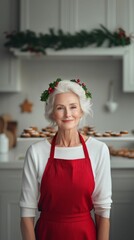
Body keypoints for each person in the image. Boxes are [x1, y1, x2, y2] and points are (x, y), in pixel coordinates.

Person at [20, 78, 112, 240]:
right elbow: (27, 214)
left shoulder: (99, 150)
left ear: (82, 111)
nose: (68, 114)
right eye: (60, 108)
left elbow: (103, 212)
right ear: (52, 113)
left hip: (85, 234)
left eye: (73, 107)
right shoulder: (36, 152)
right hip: (47, 233)